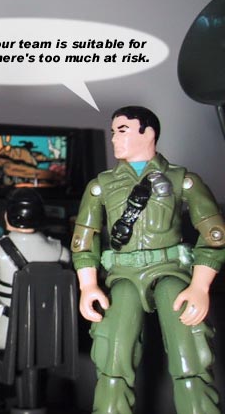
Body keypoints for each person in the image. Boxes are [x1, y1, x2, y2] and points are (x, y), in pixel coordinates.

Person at [71, 106, 225, 413]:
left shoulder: (182, 180)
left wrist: (200, 285)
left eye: (123, 131)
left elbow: (215, 235)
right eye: (113, 132)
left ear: (148, 133)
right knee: (112, 356)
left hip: (172, 272)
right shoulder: (102, 185)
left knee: (190, 356)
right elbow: (84, 241)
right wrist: (88, 286)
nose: (114, 138)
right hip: (123, 275)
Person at [0, 188, 70, 413]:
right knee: (39, 357)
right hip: (50, 333)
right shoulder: (60, 251)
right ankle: (37, 394)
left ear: (7, 216)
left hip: (8, 332)